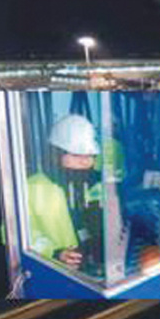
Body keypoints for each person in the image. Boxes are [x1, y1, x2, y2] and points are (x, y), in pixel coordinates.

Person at [27, 114, 104, 276]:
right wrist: (54, 254)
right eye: (77, 155)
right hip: (56, 274)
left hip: (95, 271)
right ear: (56, 155)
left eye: (90, 155)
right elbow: (12, 236)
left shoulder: (96, 184)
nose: (85, 161)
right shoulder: (31, 188)